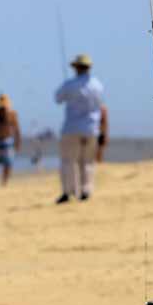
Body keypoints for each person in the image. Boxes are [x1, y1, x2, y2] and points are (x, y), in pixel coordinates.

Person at [54, 54, 107, 203]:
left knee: (68, 161)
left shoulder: (70, 84)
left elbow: (57, 98)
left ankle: (68, 191)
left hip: (71, 128)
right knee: (87, 161)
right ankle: (86, 190)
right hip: (91, 128)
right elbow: (101, 107)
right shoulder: (98, 85)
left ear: (76, 67)